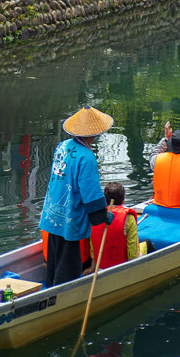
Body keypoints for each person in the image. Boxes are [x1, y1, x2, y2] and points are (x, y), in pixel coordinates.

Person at [39, 105, 111, 287]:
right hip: (69, 216)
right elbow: (90, 192)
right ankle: (61, 296)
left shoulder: (61, 146)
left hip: (52, 210)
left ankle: (49, 286)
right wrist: (102, 216)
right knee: (68, 265)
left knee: (54, 260)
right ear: (95, 133)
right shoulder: (87, 157)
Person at [85, 182, 141, 272]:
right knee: (148, 244)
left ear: (105, 199)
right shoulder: (129, 218)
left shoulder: (95, 217)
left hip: (100, 266)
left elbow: (92, 246)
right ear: (123, 199)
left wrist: (93, 266)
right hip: (122, 267)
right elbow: (133, 251)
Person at [150, 126, 180, 208]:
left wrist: (166, 139)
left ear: (170, 145)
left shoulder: (157, 160)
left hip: (159, 204)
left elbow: (154, 153)